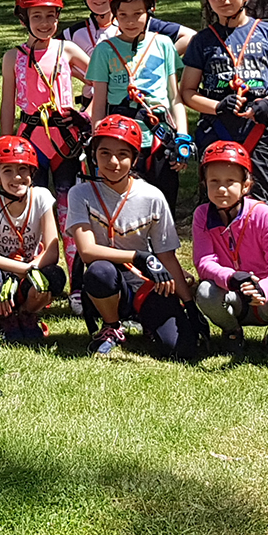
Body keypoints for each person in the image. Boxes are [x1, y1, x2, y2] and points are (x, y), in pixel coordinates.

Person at [66, 116, 198, 359]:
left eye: (123, 155)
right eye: (104, 153)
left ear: (135, 159)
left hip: (145, 282)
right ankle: (111, 326)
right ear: (93, 155)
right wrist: (139, 256)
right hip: (107, 281)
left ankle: (147, 321)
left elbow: (167, 256)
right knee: (100, 271)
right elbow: (87, 251)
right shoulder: (80, 193)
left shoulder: (152, 196)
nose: (113, 162)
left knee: (180, 348)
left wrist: (190, 305)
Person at [178, 0, 268, 204]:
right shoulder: (202, 41)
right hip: (217, 128)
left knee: (257, 200)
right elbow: (187, 91)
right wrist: (217, 106)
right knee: (217, 198)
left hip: (257, 128)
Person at [190, 141, 268, 361]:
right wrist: (231, 277)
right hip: (232, 293)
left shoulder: (263, 215)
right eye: (214, 181)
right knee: (205, 292)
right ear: (205, 183)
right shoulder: (202, 215)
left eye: (230, 181)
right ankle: (232, 332)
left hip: (265, 298)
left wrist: (262, 288)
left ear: (246, 185)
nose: (221, 189)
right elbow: (204, 262)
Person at [86, 0, 191, 208]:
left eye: (137, 14)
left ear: (149, 12)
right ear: (114, 14)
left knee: (164, 200)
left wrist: (182, 135)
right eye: (123, 15)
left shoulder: (163, 44)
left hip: (159, 136)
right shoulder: (105, 50)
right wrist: (97, 142)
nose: (130, 21)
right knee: (123, 203)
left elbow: (174, 96)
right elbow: (99, 102)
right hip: (120, 138)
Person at [0, 0, 91, 205]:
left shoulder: (66, 49)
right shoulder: (13, 57)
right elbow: (7, 103)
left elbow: (102, 82)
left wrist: (87, 113)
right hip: (29, 138)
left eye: (51, 16)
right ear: (23, 19)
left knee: (68, 199)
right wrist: (5, 141)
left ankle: (69, 230)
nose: (45, 23)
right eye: (37, 16)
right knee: (30, 201)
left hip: (66, 139)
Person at [64, 0, 193, 112]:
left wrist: (152, 62)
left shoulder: (138, 23)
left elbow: (189, 37)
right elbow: (51, 54)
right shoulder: (74, 33)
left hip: (138, 106)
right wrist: (85, 76)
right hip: (92, 108)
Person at [0, 136, 66, 343]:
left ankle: (26, 314)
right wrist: (22, 269)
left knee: (55, 276)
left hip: (31, 269)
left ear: (32, 173)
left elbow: (52, 251)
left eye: (23, 169)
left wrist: (29, 269)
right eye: (8, 171)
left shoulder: (41, 197)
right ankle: (5, 317)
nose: (17, 177)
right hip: (1, 270)